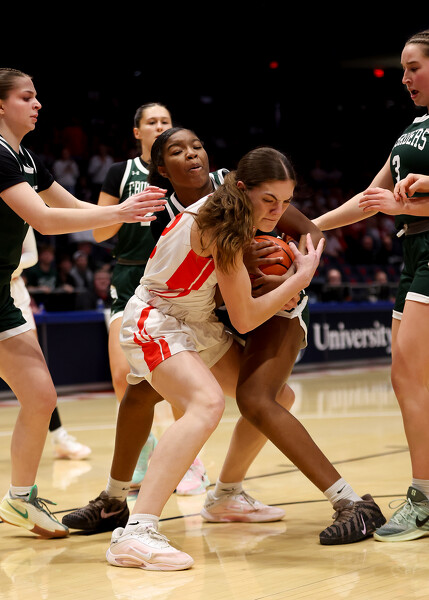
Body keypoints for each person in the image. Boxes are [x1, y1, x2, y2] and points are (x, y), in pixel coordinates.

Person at [63, 134, 384, 571]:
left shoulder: (229, 209)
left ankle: (215, 496)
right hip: (158, 318)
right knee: (206, 403)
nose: (277, 211)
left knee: (275, 397)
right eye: (269, 200)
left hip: (196, 322)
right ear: (242, 188)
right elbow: (246, 318)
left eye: (285, 202)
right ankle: (136, 531)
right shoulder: (223, 224)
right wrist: (299, 277)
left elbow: (235, 295)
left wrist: (285, 276)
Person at [0, 67, 167, 539]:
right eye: (26, 96)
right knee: (39, 395)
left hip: (2, 294)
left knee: (40, 397)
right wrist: (120, 210)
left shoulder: (25, 158)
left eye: (36, 96)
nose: (37, 104)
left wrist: (122, 213)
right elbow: (43, 219)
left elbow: (70, 205)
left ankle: (19, 500)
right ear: (1, 105)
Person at [312, 29, 429, 543]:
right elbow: (368, 198)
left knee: (409, 375)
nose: (404, 78)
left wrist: (404, 205)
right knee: (407, 379)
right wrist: (310, 228)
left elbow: (397, 202)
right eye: (403, 69)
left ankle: (423, 497)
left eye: (413, 67)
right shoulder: (413, 129)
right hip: (413, 250)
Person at [92, 104, 208, 494]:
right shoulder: (120, 173)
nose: (159, 126)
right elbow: (98, 234)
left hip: (174, 281)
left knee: (179, 377)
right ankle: (145, 453)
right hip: (129, 277)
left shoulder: (188, 172)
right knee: (121, 375)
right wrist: (125, 212)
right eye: (151, 122)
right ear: (137, 131)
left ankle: (191, 462)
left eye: (165, 121)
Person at [11, 227, 91, 459]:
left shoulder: (17, 208)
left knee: (37, 372)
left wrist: (6, 265)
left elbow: (31, 254)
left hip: (13, 292)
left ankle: (58, 436)